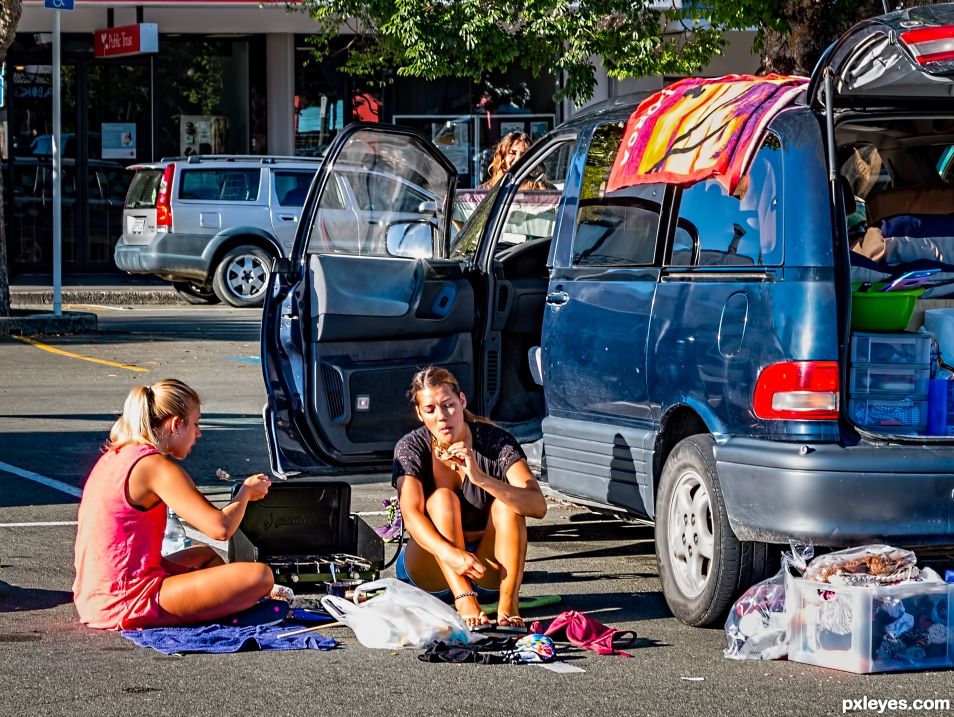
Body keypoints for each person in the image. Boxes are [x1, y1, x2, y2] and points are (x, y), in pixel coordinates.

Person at [73, 379, 275, 630]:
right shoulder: (155, 467)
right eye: (195, 423)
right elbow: (220, 528)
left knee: (205, 556)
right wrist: (245, 492)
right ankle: (213, 610)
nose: (198, 432)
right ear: (176, 424)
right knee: (260, 576)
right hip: (127, 599)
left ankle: (212, 606)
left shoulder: (119, 454)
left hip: (95, 595)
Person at [392, 366, 547, 629]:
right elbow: (411, 514)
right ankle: (465, 601)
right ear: (419, 414)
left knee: (508, 506)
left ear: (462, 401)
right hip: (434, 570)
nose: (442, 417)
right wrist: (451, 554)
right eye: (430, 410)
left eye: (448, 405)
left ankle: (509, 604)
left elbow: (537, 505)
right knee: (441, 499)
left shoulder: (495, 442)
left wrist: (480, 478)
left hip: (487, 570)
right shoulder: (411, 447)